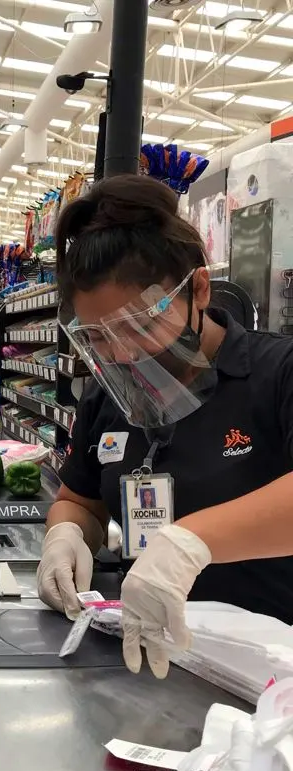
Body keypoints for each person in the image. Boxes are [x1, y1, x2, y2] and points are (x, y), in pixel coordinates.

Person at [36, 174, 293, 680]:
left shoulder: (276, 373)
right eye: (101, 338)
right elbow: (80, 499)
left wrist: (188, 543)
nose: (124, 355)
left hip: (272, 677)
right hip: (145, 661)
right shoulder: (109, 396)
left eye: (139, 326)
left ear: (198, 289)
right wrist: (64, 536)